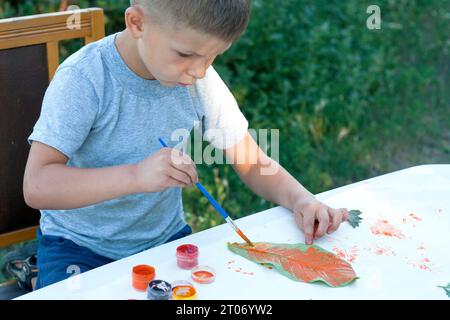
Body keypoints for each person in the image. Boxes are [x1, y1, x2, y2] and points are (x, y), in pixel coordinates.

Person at [23, 0, 349, 289]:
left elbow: (250, 160)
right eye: (186, 54)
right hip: (78, 247)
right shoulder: (85, 80)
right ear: (137, 23)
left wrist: (301, 199)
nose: (198, 70)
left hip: (164, 242)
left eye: (211, 57)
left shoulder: (197, 80)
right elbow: (37, 185)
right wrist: (136, 176)